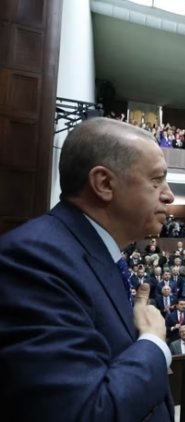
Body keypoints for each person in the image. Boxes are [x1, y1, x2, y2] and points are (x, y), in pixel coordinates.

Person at [0, 118, 175, 421]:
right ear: (104, 184)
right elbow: (86, 412)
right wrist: (153, 343)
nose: (169, 195)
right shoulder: (34, 259)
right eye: (156, 180)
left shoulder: (93, 253)